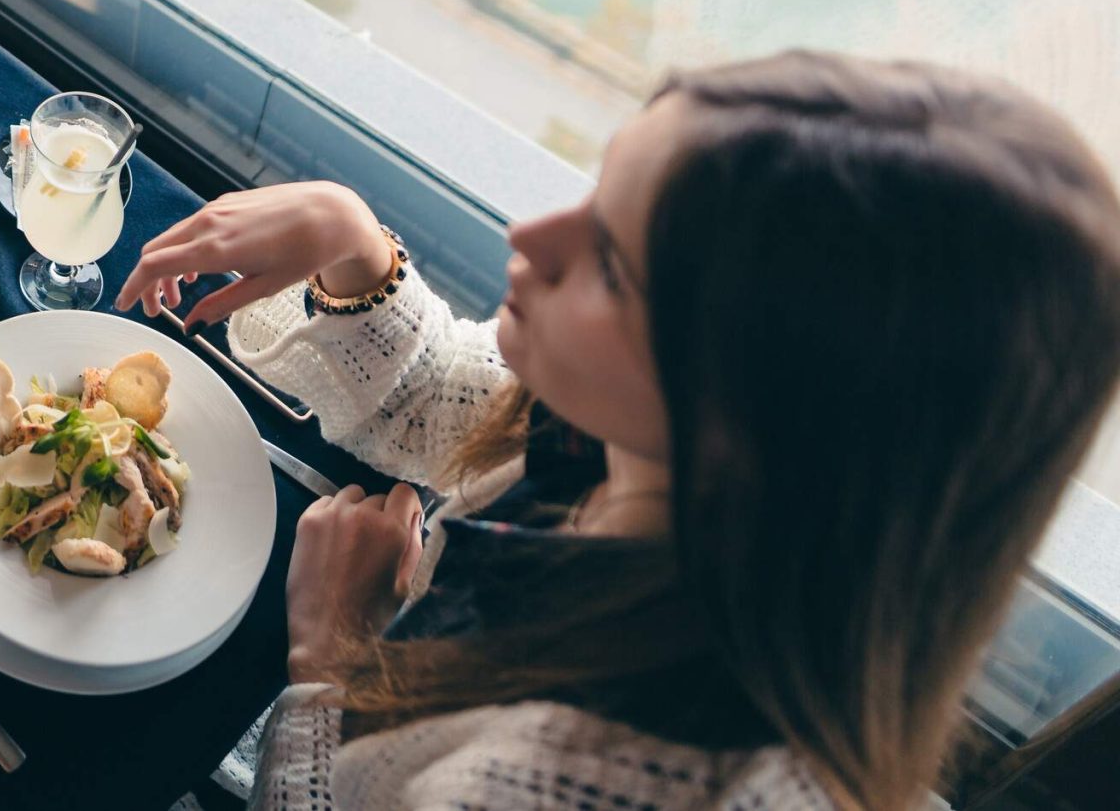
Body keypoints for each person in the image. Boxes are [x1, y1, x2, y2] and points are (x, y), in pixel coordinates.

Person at [117, 52, 1120, 811]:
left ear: (754, 413)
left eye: (615, 265)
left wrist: (327, 664)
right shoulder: (646, 459)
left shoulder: (582, 777)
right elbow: (450, 408)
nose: (529, 237)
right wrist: (351, 245)